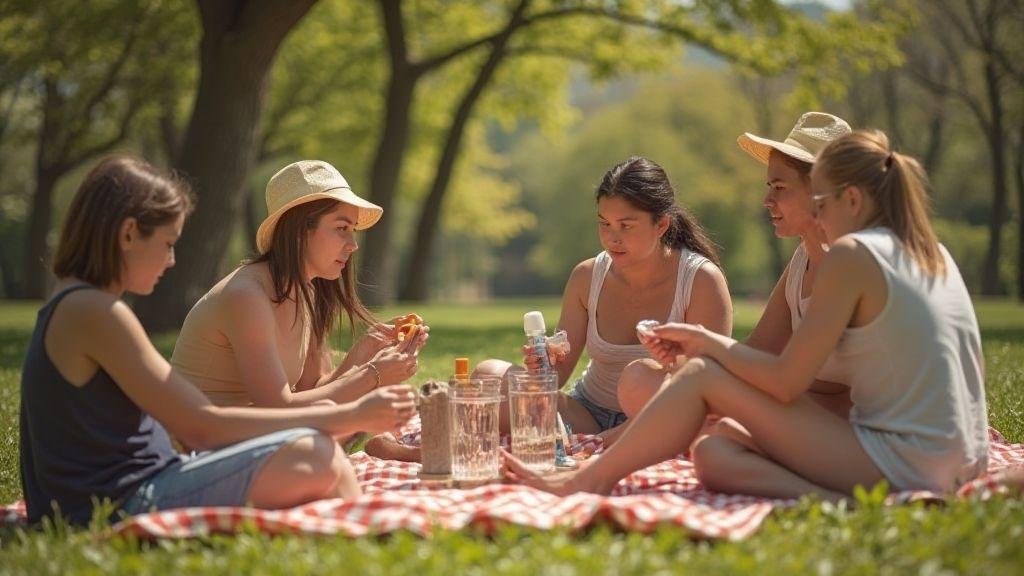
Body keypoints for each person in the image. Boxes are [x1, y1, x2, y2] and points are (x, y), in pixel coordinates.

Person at [503, 130, 989, 500]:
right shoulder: (928, 249)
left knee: (697, 381)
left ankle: (585, 483)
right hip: (963, 457)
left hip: (909, 463)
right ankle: (843, 502)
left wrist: (704, 345)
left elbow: (783, 383)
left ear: (852, 199)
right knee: (715, 452)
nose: (812, 216)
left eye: (816, 201)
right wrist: (702, 350)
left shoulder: (851, 255)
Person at [19, 157, 416, 526]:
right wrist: (351, 414)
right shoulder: (94, 312)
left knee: (319, 453)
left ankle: (359, 529)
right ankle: (364, 529)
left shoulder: (81, 306)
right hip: (118, 501)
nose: (171, 260)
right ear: (128, 234)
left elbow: (196, 420)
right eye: (168, 243)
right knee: (317, 455)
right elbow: (203, 428)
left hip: (134, 485)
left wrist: (363, 379)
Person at [475, 156, 732, 441]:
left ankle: (623, 439)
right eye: (604, 224)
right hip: (588, 414)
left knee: (638, 377)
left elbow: (707, 382)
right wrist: (543, 364)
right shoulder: (587, 277)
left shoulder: (701, 280)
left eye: (626, 226)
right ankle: (600, 438)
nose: (612, 238)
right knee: (490, 376)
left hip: (661, 411)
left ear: (661, 225)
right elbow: (555, 377)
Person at [171, 160, 424, 427]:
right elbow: (280, 410)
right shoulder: (247, 295)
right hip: (198, 446)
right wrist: (372, 375)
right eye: (341, 228)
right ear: (300, 231)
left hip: (254, 438)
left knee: (373, 420)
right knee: (344, 432)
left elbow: (313, 391)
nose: (353, 245)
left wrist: (366, 352)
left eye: (353, 231)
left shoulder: (306, 290)